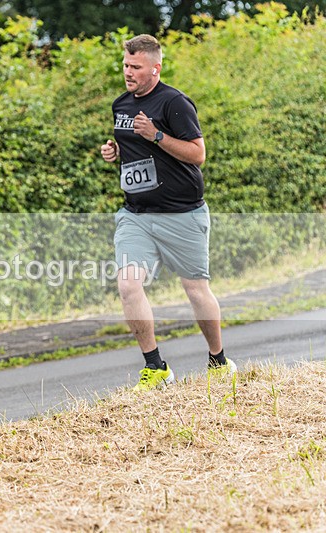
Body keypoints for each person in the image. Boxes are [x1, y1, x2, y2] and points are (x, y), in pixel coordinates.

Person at [100, 34, 236, 391]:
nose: (128, 72)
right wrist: (115, 153)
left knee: (195, 290)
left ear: (155, 68)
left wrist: (156, 136)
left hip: (182, 214)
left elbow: (197, 154)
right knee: (128, 285)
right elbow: (134, 153)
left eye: (135, 67)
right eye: (125, 65)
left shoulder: (175, 103)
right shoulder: (121, 105)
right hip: (136, 215)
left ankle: (218, 358)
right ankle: (155, 366)